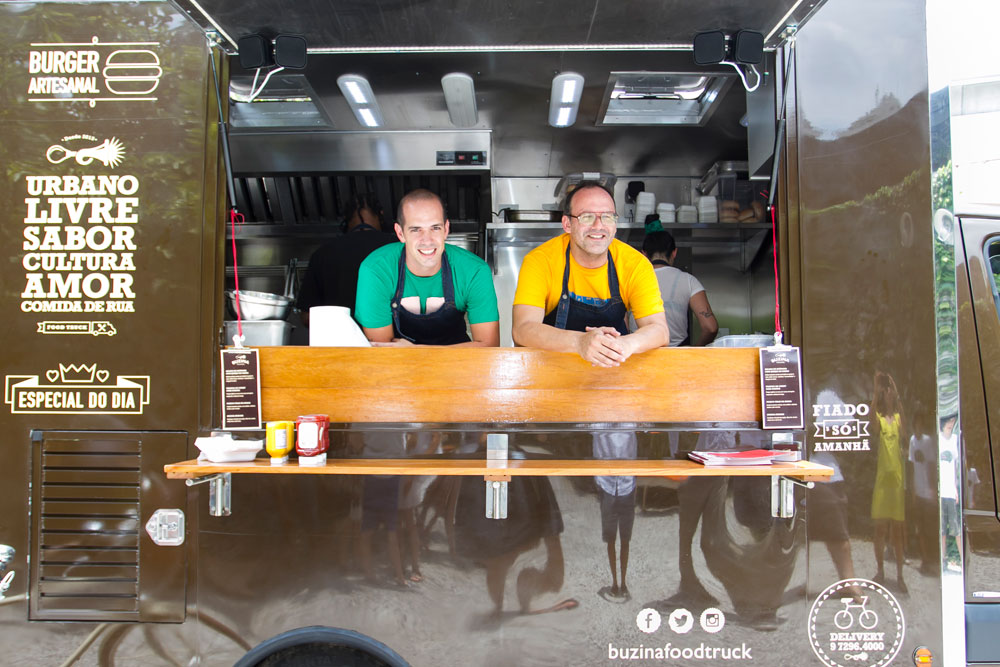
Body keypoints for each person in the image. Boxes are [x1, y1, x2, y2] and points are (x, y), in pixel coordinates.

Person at [511, 182, 668, 365]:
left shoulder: (635, 264)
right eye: (587, 217)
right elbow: (522, 330)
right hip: (552, 375)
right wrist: (579, 342)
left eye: (607, 217)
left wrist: (625, 345)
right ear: (567, 224)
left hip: (614, 372)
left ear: (615, 225)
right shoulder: (540, 261)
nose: (598, 226)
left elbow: (659, 330)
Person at [355, 188, 499, 346]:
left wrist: (416, 352)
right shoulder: (376, 270)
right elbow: (382, 350)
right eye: (416, 230)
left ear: (446, 229)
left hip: (459, 366)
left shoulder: (474, 271)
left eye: (435, 228)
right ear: (400, 233)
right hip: (398, 368)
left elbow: (488, 348)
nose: (427, 240)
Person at [297, 192, 397, 319]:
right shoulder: (398, 248)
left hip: (340, 337)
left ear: (345, 217)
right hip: (394, 337)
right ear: (381, 214)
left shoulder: (323, 253)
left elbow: (307, 316)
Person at [637, 230, 718, 346]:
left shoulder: (632, 280)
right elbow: (711, 328)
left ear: (644, 254)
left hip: (640, 355)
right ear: (674, 253)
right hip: (677, 355)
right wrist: (695, 352)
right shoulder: (688, 280)